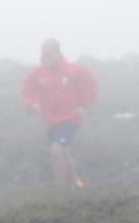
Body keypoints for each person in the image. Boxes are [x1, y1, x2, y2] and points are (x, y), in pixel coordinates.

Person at [21, 39, 98, 188]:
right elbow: (28, 90)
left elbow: (91, 85)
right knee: (65, 153)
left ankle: (60, 189)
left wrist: (84, 105)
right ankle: (76, 185)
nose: (46, 59)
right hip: (50, 121)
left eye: (49, 55)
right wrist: (30, 105)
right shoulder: (37, 73)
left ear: (58, 54)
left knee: (56, 151)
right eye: (43, 55)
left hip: (70, 118)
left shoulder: (73, 70)